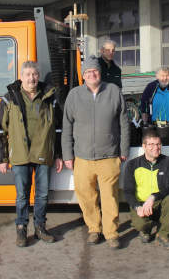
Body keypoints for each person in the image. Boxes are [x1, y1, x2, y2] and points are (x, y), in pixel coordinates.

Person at [62, 56, 130, 249]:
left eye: (95, 71)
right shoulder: (74, 95)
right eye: (87, 72)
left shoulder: (114, 91)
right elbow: (66, 127)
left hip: (109, 156)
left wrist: (123, 149)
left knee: (110, 197)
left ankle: (111, 233)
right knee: (86, 196)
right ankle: (94, 229)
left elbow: (124, 124)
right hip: (82, 158)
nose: (92, 74)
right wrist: (67, 154)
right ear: (83, 75)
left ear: (100, 72)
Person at [0, 61, 63, 247]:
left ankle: (40, 227)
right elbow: (0, 130)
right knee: (22, 196)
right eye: (28, 74)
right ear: (21, 76)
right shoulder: (9, 98)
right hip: (20, 155)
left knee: (42, 195)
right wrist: (1, 158)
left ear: (38, 76)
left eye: (34, 74)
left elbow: (58, 129)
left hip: (43, 152)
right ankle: (21, 229)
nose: (31, 78)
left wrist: (58, 154)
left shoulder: (50, 97)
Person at [123, 130, 169, 249]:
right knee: (140, 224)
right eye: (151, 144)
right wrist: (137, 207)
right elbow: (128, 191)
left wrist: (153, 197)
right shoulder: (133, 165)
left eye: (158, 144)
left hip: (160, 200)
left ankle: (163, 234)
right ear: (144, 146)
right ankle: (145, 229)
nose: (156, 148)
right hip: (141, 204)